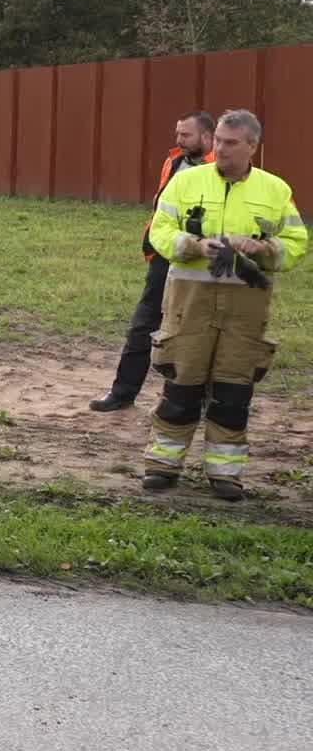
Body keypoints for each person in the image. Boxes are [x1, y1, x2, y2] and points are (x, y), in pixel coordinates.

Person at [142, 109, 306, 500]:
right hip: (190, 305)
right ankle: (162, 466)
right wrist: (192, 245)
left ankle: (225, 474)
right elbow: (159, 232)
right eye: (218, 140)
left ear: (252, 146)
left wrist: (264, 248)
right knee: (181, 385)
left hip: (244, 311)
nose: (222, 149)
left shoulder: (275, 190)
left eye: (231, 143)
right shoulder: (186, 182)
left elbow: (297, 245)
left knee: (233, 393)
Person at [90, 111, 217, 411]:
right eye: (178, 134)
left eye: (186, 135)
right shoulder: (173, 162)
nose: (179, 141)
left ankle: (191, 402)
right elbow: (161, 209)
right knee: (144, 325)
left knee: (196, 333)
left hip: (205, 263)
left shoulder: (220, 171)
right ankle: (122, 394)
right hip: (165, 256)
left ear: (207, 137)